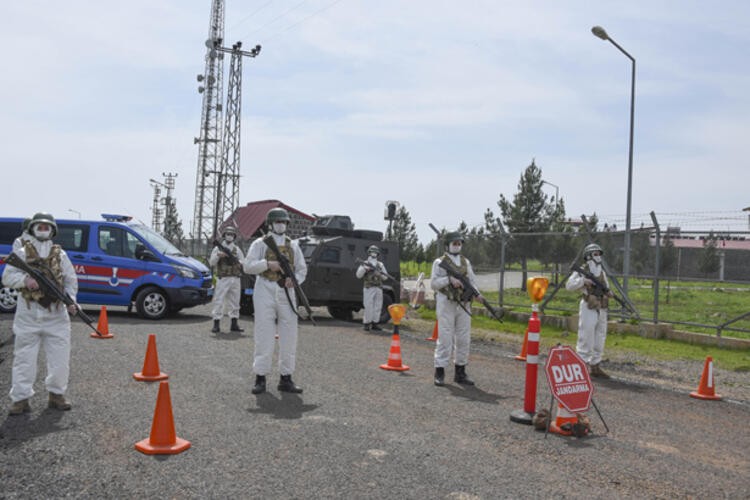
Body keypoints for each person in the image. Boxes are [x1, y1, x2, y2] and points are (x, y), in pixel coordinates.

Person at [3, 212, 79, 415]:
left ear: (53, 230)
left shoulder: (60, 254)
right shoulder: (20, 252)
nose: (43, 230)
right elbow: (8, 277)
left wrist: (71, 301)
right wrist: (25, 281)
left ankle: (56, 395)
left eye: (47, 227)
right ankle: (20, 399)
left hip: (56, 315)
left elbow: (71, 280)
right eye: (40, 227)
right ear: (32, 228)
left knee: (60, 359)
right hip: (28, 314)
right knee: (24, 359)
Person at [243, 208, 308, 395]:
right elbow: (247, 266)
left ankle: (286, 378)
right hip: (265, 289)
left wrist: (293, 280)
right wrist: (267, 264)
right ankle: (260, 377)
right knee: (264, 334)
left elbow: (302, 269)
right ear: (270, 224)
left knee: (289, 335)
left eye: (284, 222)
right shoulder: (260, 243)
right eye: (278, 222)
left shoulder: (293, 245)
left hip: (286, 291)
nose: (281, 225)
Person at [430, 231, 481, 387]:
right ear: (448, 245)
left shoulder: (466, 262)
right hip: (446, 303)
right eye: (454, 243)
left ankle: (460, 372)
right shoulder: (439, 262)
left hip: (464, 303)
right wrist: (449, 280)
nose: (457, 246)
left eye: (459, 243)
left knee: (463, 338)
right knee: (445, 337)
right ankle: (439, 371)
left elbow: (472, 281)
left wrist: (478, 294)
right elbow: (433, 284)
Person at [565, 243, 613, 379]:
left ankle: (595, 366)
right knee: (586, 336)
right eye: (596, 254)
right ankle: (581, 367)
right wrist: (583, 281)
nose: (598, 257)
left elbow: (606, 286)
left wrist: (609, 292)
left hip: (601, 306)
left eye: (599, 254)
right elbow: (569, 285)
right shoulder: (582, 270)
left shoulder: (601, 271)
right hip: (588, 306)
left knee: (600, 336)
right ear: (589, 256)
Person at [208, 226, 245, 333]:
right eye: (228, 234)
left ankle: (234, 324)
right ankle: (216, 324)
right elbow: (211, 263)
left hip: (235, 278)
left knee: (235, 302)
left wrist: (236, 261)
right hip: (223, 278)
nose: (230, 236)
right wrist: (219, 256)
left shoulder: (237, 249)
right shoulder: (217, 249)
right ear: (224, 236)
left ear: (234, 236)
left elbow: (243, 262)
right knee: (219, 300)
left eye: (232, 234)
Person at [355, 245, 387, 331]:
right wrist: (365, 269)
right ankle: (366, 323)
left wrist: (379, 274)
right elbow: (358, 275)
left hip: (378, 288)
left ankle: (375, 323)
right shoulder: (365, 263)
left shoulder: (380, 264)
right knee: (368, 306)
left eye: (376, 252)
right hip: (369, 287)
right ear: (369, 252)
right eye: (372, 251)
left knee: (378, 306)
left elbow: (385, 277)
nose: (374, 253)